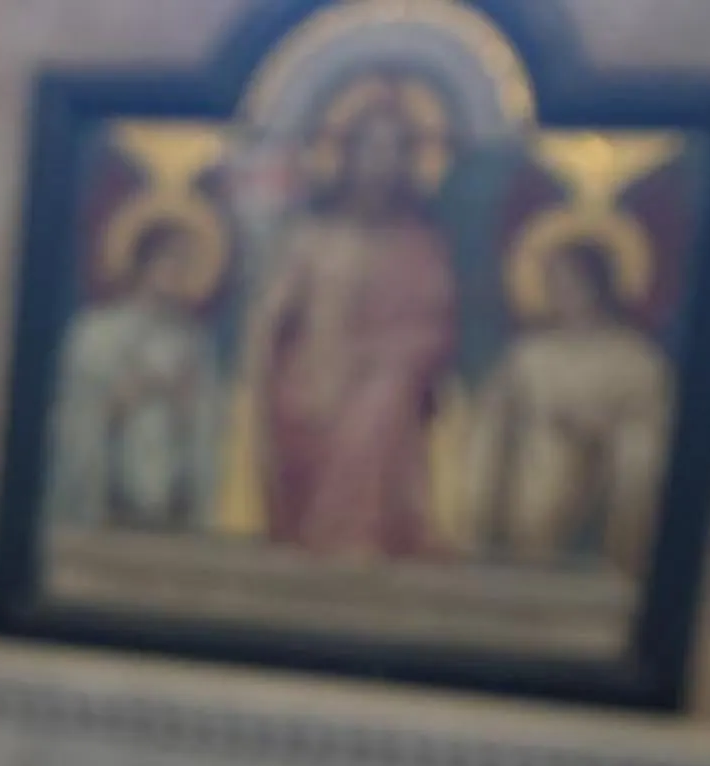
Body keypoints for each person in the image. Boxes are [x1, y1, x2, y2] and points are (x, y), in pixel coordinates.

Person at [239, 80, 463, 560]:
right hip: (312, 383)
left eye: (393, 150)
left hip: (390, 387)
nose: (380, 163)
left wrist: (388, 355)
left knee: (383, 395)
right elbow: (271, 323)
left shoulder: (419, 243)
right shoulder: (311, 238)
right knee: (362, 396)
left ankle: (357, 536)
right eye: (370, 148)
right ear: (347, 155)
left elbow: (436, 328)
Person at [467, 236, 674, 571]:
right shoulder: (530, 355)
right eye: (554, 285)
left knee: (637, 457)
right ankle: (520, 553)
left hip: (606, 462)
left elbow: (651, 424)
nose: (562, 294)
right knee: (541, 460)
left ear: (598, 288)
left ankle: (618, 562)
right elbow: (495, 409)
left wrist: (595, 428)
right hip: (539, 456)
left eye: (572, 285)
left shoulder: (635, 358)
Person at [48, 215, 225, 531]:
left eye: (186, 264)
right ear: (143, 264)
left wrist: (189, 407)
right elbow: (72, 417)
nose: (178, 272)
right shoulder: (97, 332)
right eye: (171, 261)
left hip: (170, 501)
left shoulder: (194, 343)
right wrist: (115, 403)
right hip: (110, 494)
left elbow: (205, 429)